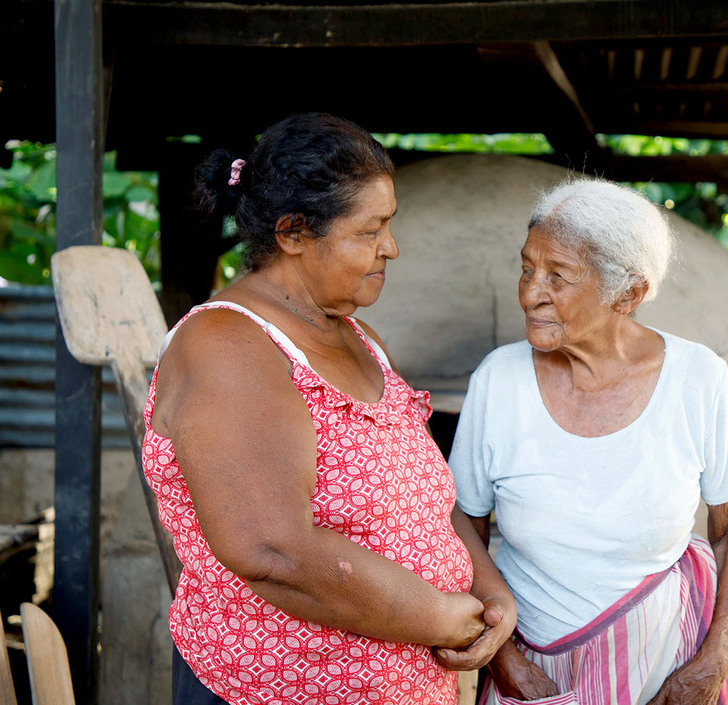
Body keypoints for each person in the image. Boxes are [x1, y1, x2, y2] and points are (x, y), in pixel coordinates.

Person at [141, 112, 516, 705]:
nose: (390, 248)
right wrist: (442, 619)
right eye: (370, 231)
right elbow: (271, 549)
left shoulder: (362, 339)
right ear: (292, 233)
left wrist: (491, 593)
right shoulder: (228, 347)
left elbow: (425, 499)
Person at [447, 178, 728, 705]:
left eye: (558, 276)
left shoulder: (697, 378)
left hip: (666, 666)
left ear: (630, 293)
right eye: (527, 268)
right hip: (533, 669)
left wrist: (715, 659)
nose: (530, 293)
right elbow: (461, 523)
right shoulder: (499, 380)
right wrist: (504, 660)